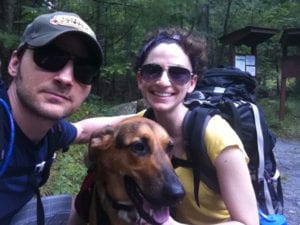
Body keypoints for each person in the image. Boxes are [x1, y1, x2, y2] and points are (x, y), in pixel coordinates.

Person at [0, 11, 130, 225]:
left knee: (77, 206)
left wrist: (148, 115)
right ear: (14, 63)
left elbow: (84, 130)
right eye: (50, 58)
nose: (66, 78)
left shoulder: (51, 131)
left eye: (83, 70)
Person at [134, 27, 260, 225]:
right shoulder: (142, 124)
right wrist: (70, 130)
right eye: (152, 70)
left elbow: (248, 223)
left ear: (192, 83)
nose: (163, 81)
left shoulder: (217, 136)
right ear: (140, 79)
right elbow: (94, 128)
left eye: (178, 73)